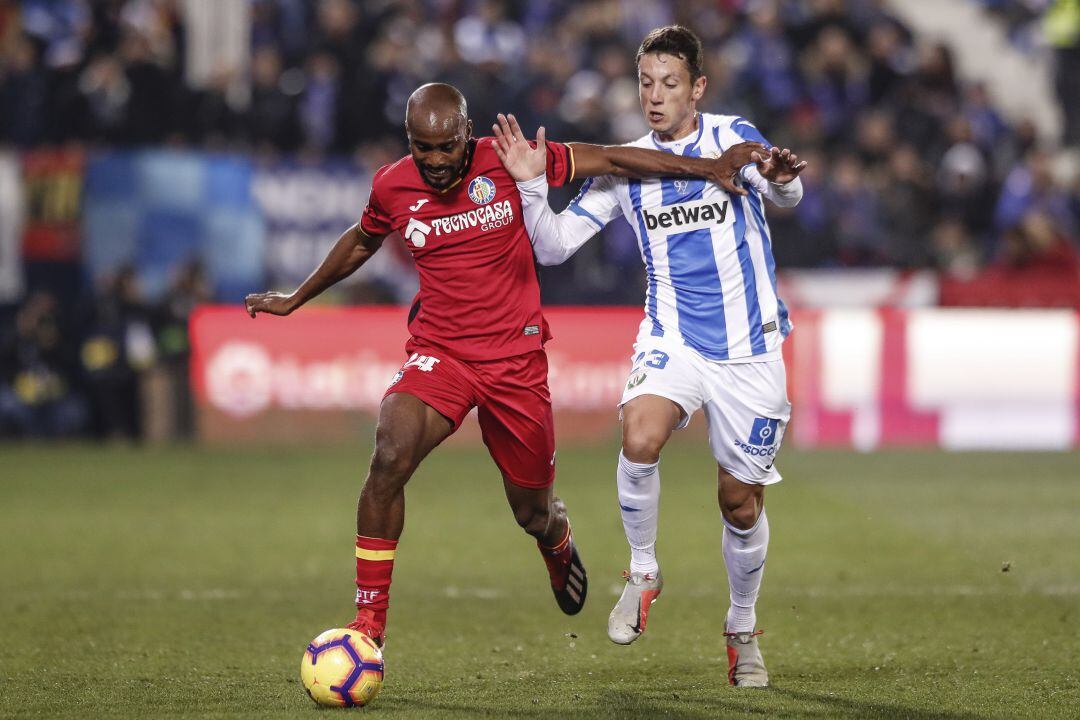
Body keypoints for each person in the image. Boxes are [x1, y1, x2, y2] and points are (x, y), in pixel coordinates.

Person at [244, 82, 754, 649]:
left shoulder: (507, 159)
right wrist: (297, 297)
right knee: (388, 456)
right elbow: (364, 239)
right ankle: (369, 626)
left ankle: (555, 538)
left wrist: (708, 167)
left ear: (467, 135)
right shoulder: (392, 184)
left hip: (516, 362)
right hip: (441, 353)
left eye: (446, 148)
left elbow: (608, 159)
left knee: (531, 511)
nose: (435, 162)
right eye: (422, 148)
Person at [493, 26, 806, 687]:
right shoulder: (625, 164)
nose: (655, 97)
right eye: (645, 83)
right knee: (639, 435)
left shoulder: (729, 137)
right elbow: (551, 247)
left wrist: (780, 181)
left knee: (739, 503)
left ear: (697, 88)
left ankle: (741, 627)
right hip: (672, 338)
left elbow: (782, 191)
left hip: (750, 349)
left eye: (669, 84)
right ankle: (642, 573)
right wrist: (527, 185)